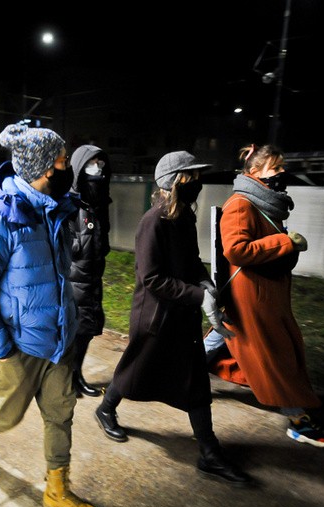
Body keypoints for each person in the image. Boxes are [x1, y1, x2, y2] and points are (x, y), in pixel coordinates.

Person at [0, 123, 105, 507]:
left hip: (59, 340)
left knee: (61, 414)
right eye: (61, 162)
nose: (66, 169)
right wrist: (0, 347)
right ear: (42, 168)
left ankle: (57, 491)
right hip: (17, 346)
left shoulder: (54, 209)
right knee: (7, 416)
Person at [93, 150, 253, 488]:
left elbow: (191, 260)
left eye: (196, 176)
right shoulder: (153, 221)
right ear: (172, 182)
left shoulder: (183, 218)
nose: (196, 182)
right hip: (156, 319)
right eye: (189, 176)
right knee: (134, 371)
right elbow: (151, 278)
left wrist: (205, 282)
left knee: (196, 383)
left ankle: (209, 454)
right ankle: (106, 409)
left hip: (182, 316)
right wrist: (198, 295)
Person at [215, 143, 324, 447]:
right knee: (276, 358)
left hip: (265, 294)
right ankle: (299, 421)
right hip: (253, 298)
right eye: (277, 167)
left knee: (223, 342)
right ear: (256, 171)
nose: (283, 173)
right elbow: (235, 250)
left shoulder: (265, 202)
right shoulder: (241, 204)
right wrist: (285, 242)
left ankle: (176, 373)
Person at [66, 145, 112, 397]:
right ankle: (68, 378)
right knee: (74, 332)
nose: (98, 168)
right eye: (92, 163)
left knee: (86, 331)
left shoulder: (99, 202)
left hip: (92, 277)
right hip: (73, 279)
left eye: (101, 163)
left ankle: (76, 374)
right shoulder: (70, 203)